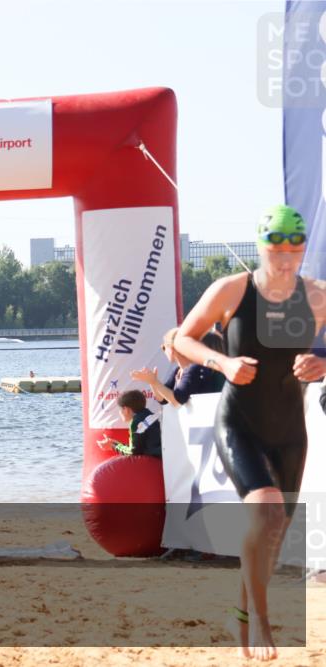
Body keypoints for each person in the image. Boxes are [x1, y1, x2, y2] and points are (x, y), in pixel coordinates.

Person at [172, 205, 326, 660]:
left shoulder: (317, 296)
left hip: (289, 432)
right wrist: (223, 362)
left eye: (293, 250)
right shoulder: (232, 290)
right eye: (275, 249)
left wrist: (324, 362)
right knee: (266, 515)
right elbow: (183, 338)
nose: (284, 260)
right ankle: (262, 623)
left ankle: (239, 616)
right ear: (260, 248)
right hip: (238, 423)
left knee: (273, 536)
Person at [130, 327, 224, 408]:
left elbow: (177, 401)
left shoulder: (195, 368)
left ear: (172, 348)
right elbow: (163, 399)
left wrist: (154, 381)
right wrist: (152, 382)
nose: (163, 351)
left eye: (164, 347)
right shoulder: (178, 370)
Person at [95, 390, 161, 458]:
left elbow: (132, 452)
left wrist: (113, 446)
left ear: (126, 409)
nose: (119, 413)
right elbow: (137, 449)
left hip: (157, 461)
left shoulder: (136, 423)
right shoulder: (151, 416)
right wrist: (115, 444)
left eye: (120, 409)